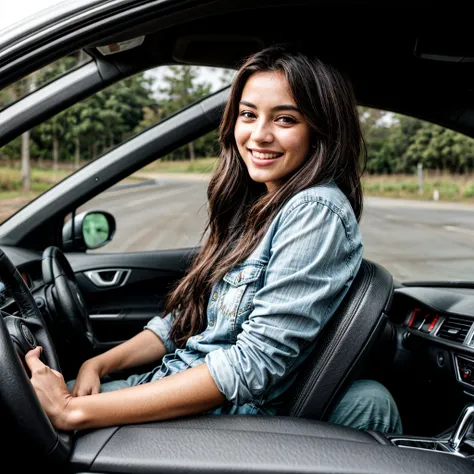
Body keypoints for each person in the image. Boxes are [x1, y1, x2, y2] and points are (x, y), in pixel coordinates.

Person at [25, 43, 402, 434]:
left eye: (286, 120)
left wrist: (74, 412)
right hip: (177, 388)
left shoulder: (315, 211)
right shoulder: (261, 205)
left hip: (222, 423)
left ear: (320, 129)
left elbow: (255, 363)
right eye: (248, 115)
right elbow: (185, 322)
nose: (259, 135)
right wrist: (98, 364)